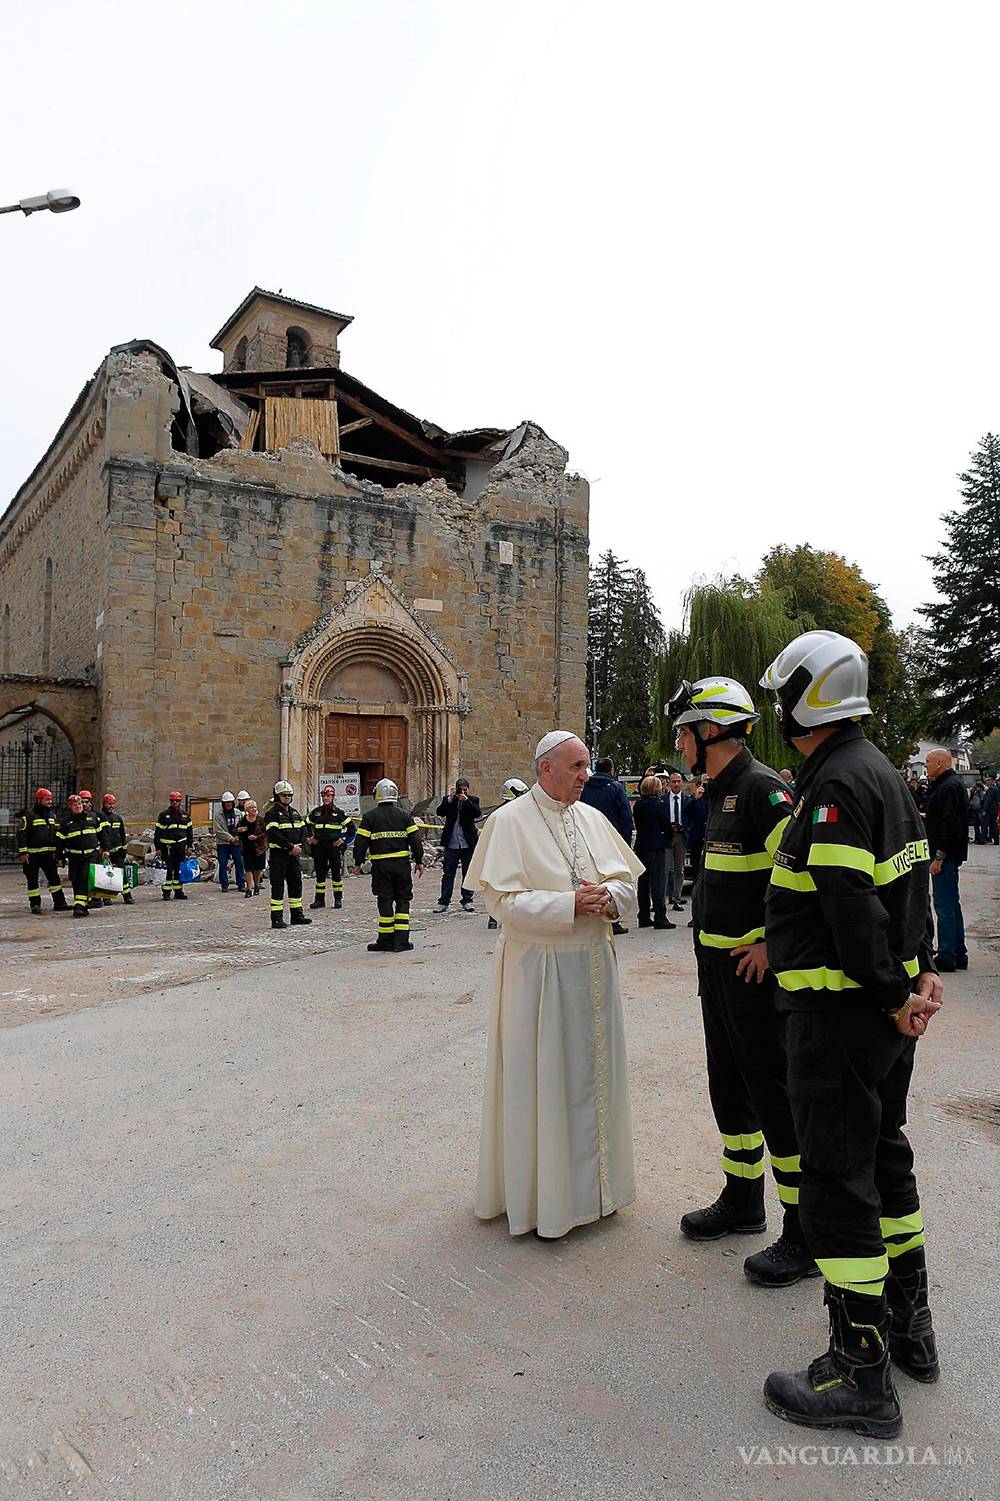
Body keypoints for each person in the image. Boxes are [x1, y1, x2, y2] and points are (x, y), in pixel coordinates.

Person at [759, 630, 942, 1437]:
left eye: (782, 693)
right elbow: (910, 882)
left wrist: (898, 988)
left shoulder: (835, 784)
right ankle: (912, 1330)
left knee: (837, 1181)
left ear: (809, 694)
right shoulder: (883, 774)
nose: (775, 708)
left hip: (837, 1019)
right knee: (885, 1157)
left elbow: (851, 909)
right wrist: (922, 971)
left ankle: (861, 1371)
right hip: (875, 1019)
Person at [465, 730, 644, 1239]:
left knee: (596, 1080)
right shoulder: (507, 822)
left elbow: (628, 884)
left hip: (593, 967)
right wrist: (569, 905)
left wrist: (608, 897)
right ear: (546, 768)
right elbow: (502, 905)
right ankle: (546, 1201)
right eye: (577, 767)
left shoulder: (592, 817)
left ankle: (599, 1192)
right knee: (544, 1079)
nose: (586, 776)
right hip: (539, 974)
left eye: (586, 766)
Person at [668, 676, 813, 1287]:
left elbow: (803, 875)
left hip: (752, 976)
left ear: (710, 731)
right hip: (717, 970)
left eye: (683, 732)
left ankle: (804, 1232)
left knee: (773, 1095)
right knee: (728, 1085)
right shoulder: (719, 791)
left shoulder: (762, 791)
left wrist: (771, 944)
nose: (678, 745)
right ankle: (743, 1198)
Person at [352, 779, 424, 951]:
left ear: (377, 794)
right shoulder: (405, 815)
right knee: (403, 899)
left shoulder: (370, 817)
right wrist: (419, 861)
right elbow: (415, 840)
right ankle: (401, 941)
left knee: (384, 900)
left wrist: (357, 862)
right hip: (401, 865)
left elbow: (360, 842)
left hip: (381, 866)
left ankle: (385, 940)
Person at [923, 748, 969, 972]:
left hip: (944, 854)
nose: (926, 765)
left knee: (944, 905)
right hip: (947, 852)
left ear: (940, 763)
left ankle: (948, 954)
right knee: (952, 903)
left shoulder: (948, 787)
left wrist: (939, 858)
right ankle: (958, 952)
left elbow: (951, 824)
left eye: (929, 762)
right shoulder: (947, 785)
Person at [579, 757, 635, 935]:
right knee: (611, 880)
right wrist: (625, 844)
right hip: (611, 841)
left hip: (586, 839)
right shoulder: (616, 788)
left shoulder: (585, 788)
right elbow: (625, 817)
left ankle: (590, 908)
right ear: (611, 770)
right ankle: (613, 920)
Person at [265, 780, 312, 929]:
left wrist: (300, 846)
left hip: (294, 855)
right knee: (278, 886)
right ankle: (277, 918)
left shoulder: (294, 812)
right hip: (279, 855)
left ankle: (297, 915)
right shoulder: (271, 814)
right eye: (284, 795)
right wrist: (290, 846)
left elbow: (303, 830)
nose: (287, 797)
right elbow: (273, 834)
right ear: (277, 796)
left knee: (296, 884)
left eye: (289, 795)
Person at [632, 775, 675, 930]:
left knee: (643, 883)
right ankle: (660, 917)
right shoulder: (659, 804)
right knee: (658, 883)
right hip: (657, 846)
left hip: (642, 845)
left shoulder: (638, 805)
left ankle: (643, 916)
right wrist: (669, 836)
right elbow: (666, 826)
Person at [433, 778, 481, 915]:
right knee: (448, 873)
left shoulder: (473, 800)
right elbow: (440, 812)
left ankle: (467, 899)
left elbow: (476, 813)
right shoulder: (449, 801)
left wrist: (466, 800)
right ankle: (443, 902)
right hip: (451, 843)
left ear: (468, 790)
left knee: (468, 872)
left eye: (465, 790)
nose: (463, 792)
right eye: (461, 790)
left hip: (467, 843)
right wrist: (450, 798)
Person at [17, 787, 68, 913]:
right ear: (39, 800)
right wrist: (23, 852)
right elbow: (21, 834)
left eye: (51, 799)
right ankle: (35, 905)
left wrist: (58, 853)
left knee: (54, 879)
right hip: (32, 855)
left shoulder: (52, 814)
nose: (50, 802)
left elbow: (55, 833)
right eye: (47, 799)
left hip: (48, 855)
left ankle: (60, 903)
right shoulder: (29, 815)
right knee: (33, 880)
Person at [487, 778, 529, 929]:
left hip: (514, 854)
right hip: (505, 854)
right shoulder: (502, 813)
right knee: (500, 886)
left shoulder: (516, 811)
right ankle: (494, 917)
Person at [58, 792, 108, 917]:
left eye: (80, 803)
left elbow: (102, 835)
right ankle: (82, 905)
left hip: (91, 855)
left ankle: (79, 906)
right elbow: (59, 841)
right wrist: (60, 856)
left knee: (84, 879)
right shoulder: (65, 822)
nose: (78, 806)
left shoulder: (92, 817)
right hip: (74, 857)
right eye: (75, 804)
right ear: (70, 806)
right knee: (75, 880)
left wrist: (106, 849)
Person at [308, 785, 355, 909]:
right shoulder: (316, 812)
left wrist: (343, 839)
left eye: (328, 796)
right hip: (320, 847)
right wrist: (310, 837)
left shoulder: (338, 813)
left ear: (333, 797)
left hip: (333, 846)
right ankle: (319, 900)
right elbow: (305, 824)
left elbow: (351, 828)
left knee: (336, 874)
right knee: (320, 874)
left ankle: (338, 899)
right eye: (324, 796)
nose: (325, 798)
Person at [154, 791, 194, 900]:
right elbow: (157, 833)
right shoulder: (163, 816)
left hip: (180, 847)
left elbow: (189, 832)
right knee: (168, 870)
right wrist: (158, 848)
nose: (175, 802)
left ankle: (178, 891)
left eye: (177, 800)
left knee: (178, 870)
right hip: (167, 848)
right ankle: (166, 893)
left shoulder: (185, 815)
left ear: (180, 801)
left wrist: (189, 846)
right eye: (172, 800)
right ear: (170, 801)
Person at [99, 793, 134, 906]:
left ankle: (127, 895)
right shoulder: (99, 817)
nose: (112, 806)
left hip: (118, 851)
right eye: (109, 803)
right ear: (104, 804)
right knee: (105, 875)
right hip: (105, 852)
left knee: (122, 874)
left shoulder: (117, 818)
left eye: (113, 804)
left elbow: (122, 835)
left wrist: (124, 849)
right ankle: (106, 897)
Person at [663, 770, 690, 911]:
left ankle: (677, 899)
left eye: (679, 781)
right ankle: (661, 900)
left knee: (679, 870)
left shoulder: (687, 800)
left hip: (681, 837)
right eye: (674, 781)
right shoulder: (663, 799)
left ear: (682, 783)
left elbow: (691, 819)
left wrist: (685, 830)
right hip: (667, 837)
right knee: (665, 869)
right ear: (669, 783)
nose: (676, 784)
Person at [213, 791, 246, 893]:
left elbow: (243, 827)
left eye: (230, 803)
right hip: (223, 843)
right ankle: (224, 884)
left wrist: (237, 838)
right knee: (223, 863)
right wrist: (229, 838)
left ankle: (241, 883)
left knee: (239, 862)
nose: (228, 805)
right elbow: (218, 831)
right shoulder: (218, 815)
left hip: (236, 843)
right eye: (226, 803)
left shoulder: (238, 814)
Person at [236, 799, 266, 898]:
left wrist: (257, 837)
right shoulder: (243, 820)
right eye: (251, 808)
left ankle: (256, 886)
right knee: (248, 868)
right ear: (247, 809)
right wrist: (239, 830)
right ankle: (249, 889)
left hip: (259, 848)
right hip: (247, 847)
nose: (253, 809)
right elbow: (235, 831)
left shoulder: (261, 820)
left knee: (258, 869)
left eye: (254, 807)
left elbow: (266, 833)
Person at [982, 775, 1000, 844]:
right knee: (994, 826)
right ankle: (996, 840)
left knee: (985, 825)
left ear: (991, 781)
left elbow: (988, 800)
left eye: (988, 780)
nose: (987, 782)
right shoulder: (996, 789)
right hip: (995, 810)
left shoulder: (991, 789)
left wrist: (984, 809)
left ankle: (984, 839)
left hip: (989, 810)